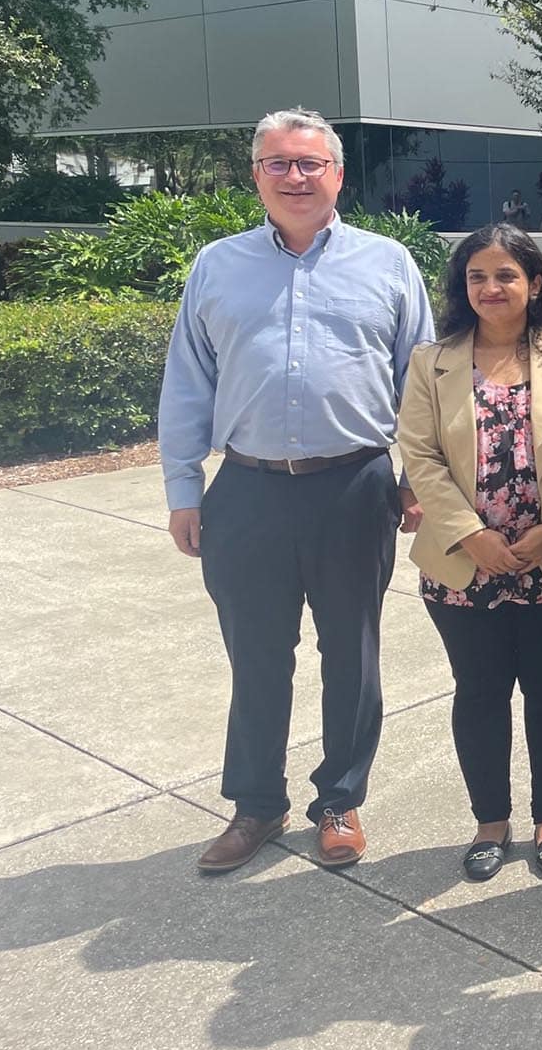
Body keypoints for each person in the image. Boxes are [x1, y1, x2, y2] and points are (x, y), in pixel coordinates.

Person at [161, 107, 434, 874]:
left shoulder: (387, 264)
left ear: (338, 174)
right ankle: (256, 804)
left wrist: (416, 481)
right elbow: (188, 383)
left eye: (310, 163)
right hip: (245, 490)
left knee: (352, 651)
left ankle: (339, 799)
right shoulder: (218, 266)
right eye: (279, 163)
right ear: (257, 176)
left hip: (354, 484)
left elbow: (421, 383)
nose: (295, 177)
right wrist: (184, 487)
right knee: (255, 655)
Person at [397, 224, 542, 883]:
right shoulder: (432, 361)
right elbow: (420, 454)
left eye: (506, 275)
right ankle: (490, 821)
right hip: (463, 561)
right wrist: (468, 533)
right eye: (477, 276)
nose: (491, 287)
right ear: (463, 286)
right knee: (479, 691)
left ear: (534, 283)